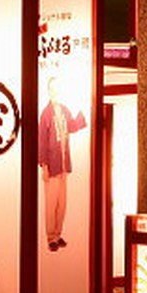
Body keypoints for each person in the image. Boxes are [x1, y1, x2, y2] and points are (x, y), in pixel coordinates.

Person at [38, 75, 86, 252]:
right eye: (52, 88)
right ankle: (50, 237)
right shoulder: (46, 114)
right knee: (51, 203)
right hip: (52, 165)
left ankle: (58, 234)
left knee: (62, 203)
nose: (55, 91)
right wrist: (44, 165)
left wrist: (83, 107)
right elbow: (42, 141)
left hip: (64, 164)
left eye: (58, 88)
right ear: (49, 91)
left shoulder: (64, 109)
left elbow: (73, 126)